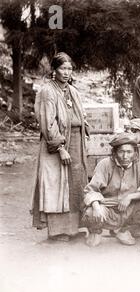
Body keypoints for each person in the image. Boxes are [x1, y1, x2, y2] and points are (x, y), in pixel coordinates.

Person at [30, 52, 89, 242]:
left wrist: (85, 125)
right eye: (62, 68)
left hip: (77, 143)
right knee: (57, 185)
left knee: (75, 184)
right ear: (54, 70)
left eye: (70, 68)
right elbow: (48, 123)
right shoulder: (48, 91)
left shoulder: (73, 91)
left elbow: (81, 114)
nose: (66, 72)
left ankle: (73, 228)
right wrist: (60, 148)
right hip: (58, 145)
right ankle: (58, 231)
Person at [81, 133, 140, 247]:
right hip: (108, 207)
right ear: (114, 153)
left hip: (129, 207)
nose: (125, 156)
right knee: (91, 212)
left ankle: (124, 231)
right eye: (121, 151)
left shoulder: (139, 165)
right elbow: (91, 190)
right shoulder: (105, 164)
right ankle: (95, 232)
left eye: (129, 152)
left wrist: (130, 197)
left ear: (135, 153)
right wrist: (96, 207)